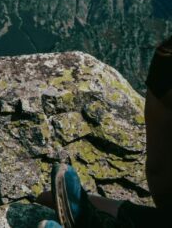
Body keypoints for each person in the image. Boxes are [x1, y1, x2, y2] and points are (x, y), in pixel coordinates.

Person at [39, 36, 172, 228]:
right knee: (46, 199)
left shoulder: (166, 58)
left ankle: (91, 218)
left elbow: (158, 171)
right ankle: (90, 215)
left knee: (49, 199)